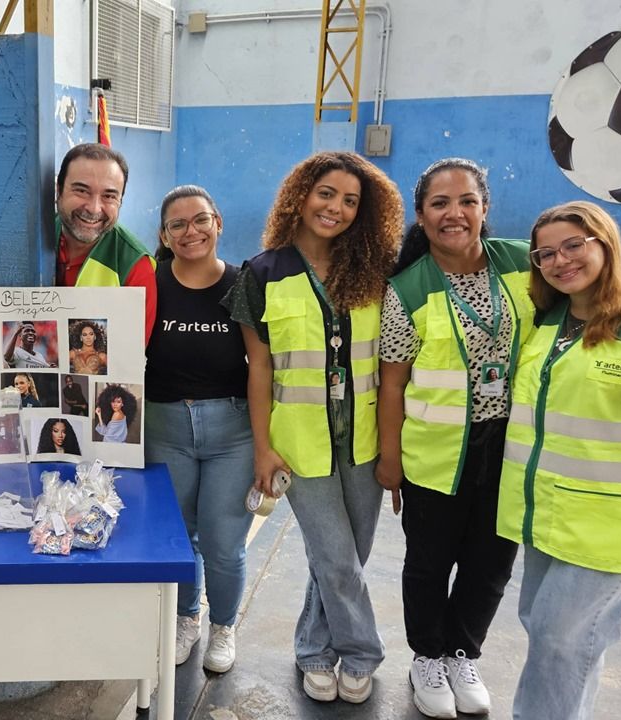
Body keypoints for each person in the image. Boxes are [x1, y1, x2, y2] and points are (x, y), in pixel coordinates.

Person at [503, 201, 621, 720]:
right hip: (548, 514)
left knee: (562, 638)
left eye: (574, 245)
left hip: (611, 525)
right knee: (544, 629)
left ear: (604, 243)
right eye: (546, 254)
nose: (560, 260)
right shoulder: (550, 322)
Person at [224, 151, 403, 705]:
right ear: (300, 196)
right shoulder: (261, 273)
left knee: (348, 555)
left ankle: (313, 650)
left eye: (351, 200)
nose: (337, 208)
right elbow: (260, 368)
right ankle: (363, 654)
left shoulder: (377, 271)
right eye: (327, 193)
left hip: (365, 442)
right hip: (301, 445)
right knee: (336, 557)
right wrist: (264, 448)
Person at [376, 158, 534, 718]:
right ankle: (426, 657)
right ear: (421, 215)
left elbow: (588, 289)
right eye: (440, 203)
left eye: (466, 201)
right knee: (429, 561)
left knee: (491, 561)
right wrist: (389, 461)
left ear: (484, 208)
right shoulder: (408, 288)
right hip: (437, 452)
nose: (454, 213)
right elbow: (391, 384)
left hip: (513, 447)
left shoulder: (522, 264)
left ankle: (464, 651)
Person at [144, 185, 252, 674]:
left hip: (234, 431)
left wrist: (269, 444)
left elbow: (264, 365)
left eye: (200, 220)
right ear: (165, 235)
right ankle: (188, 617)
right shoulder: (149, 283)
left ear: (218, 222)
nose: (191, 232)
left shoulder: (243, 282)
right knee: (178, 536)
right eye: (178, 225)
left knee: (223, 542)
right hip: (165, 426)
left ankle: (223, 625)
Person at [55, 143, 156, 342]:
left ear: (121, 201)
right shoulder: (25, 237)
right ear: (59, 190)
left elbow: (129, 357)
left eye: (109, 196)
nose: (94, 208)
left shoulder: (134, 265)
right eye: (82, 191)